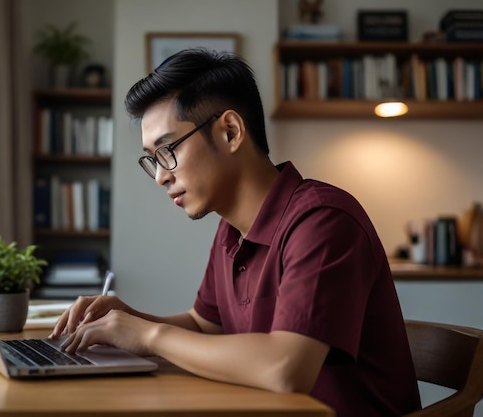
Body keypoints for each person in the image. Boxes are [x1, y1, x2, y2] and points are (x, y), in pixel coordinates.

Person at [50, 48, 422, 416]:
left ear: (230, 132)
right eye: (153, 159)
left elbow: (286, 368)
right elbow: (206, 326)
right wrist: (128, 320)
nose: (161, 175)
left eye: (167, 149)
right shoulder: (231, 230)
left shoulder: (323, 221)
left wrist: (151, 336)